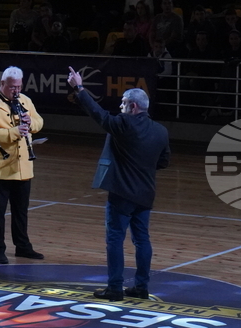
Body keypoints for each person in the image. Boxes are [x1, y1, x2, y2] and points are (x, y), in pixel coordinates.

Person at [67, 66, 170, 300]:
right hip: (145, 193)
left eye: (123, 103)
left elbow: (99, 115)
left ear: (133, 107)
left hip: (122, 193)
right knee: (142, 240)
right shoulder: (161, 131)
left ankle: (115, 288)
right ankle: (142, 287)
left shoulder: (125, 124)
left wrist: (80, 88)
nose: (120, 107)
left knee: (115, 238)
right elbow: (163, 162)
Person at [0, 66, 44, 264]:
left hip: (23, 165)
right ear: (2, 84)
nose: (16, 90)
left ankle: (23, 246)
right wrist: (15, 132)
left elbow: (40, 122)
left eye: (19, 86)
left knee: (21, 210)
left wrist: (30, 122)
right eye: (12, 87)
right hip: (0, 167)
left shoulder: (25, 100)